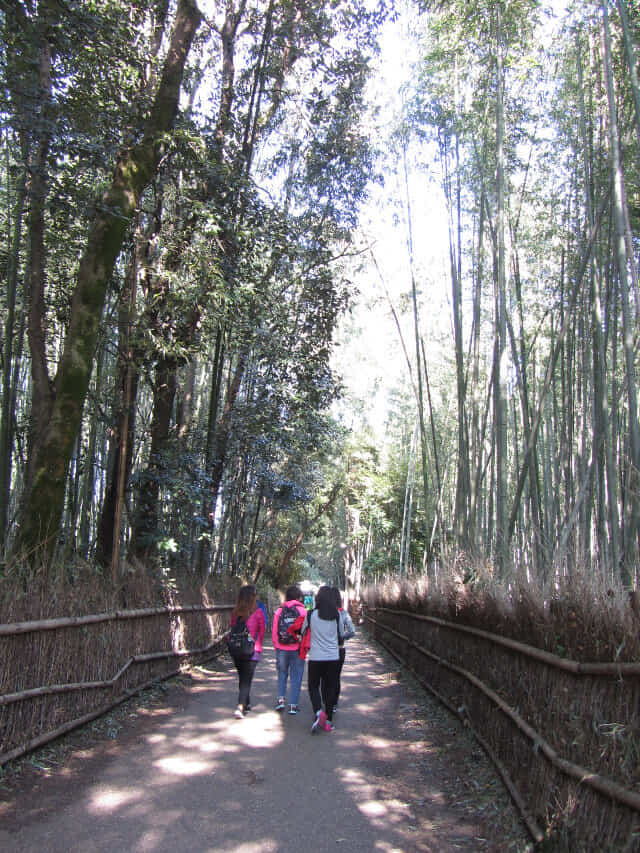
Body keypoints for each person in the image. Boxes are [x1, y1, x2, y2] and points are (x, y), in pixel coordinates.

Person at [301, 585, 342, 734]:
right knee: (330, 687)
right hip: (333, 657)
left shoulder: (311, 614)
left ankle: (319, 712)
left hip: (316, 657)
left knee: (313, 686)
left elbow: (302, 630)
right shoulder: (337, 615)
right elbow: (341, 635)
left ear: (318, 598)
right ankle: (329, 720)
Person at [230, 584, 266, 719]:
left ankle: (246, 702)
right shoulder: (258, 613)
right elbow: (261, 633)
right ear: (253, 597)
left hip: (236, 649)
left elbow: (233, 628)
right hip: (252, 650)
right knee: (246, 679)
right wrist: (256, 645)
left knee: (242, 677)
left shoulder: (235, 612)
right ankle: (240, 706)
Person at [272, 585, 307, 714]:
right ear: (299, 597)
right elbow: (306, 632)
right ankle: (293, 705)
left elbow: (274, 630)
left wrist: (277, 646)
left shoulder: (279, 611)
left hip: (281, 648)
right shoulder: (303, 611)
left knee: (282, 674)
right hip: (297, 648)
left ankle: (281, 701)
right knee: (296, 676)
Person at [331, 588, 355, 714]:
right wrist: (342, 637)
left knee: (326, 677)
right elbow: (352, 631)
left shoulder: (323, 613)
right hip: (340, 650)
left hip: (326, 650)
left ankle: (327, 701)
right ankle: (334, 703)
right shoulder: (344, 613)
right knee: (336, 677)